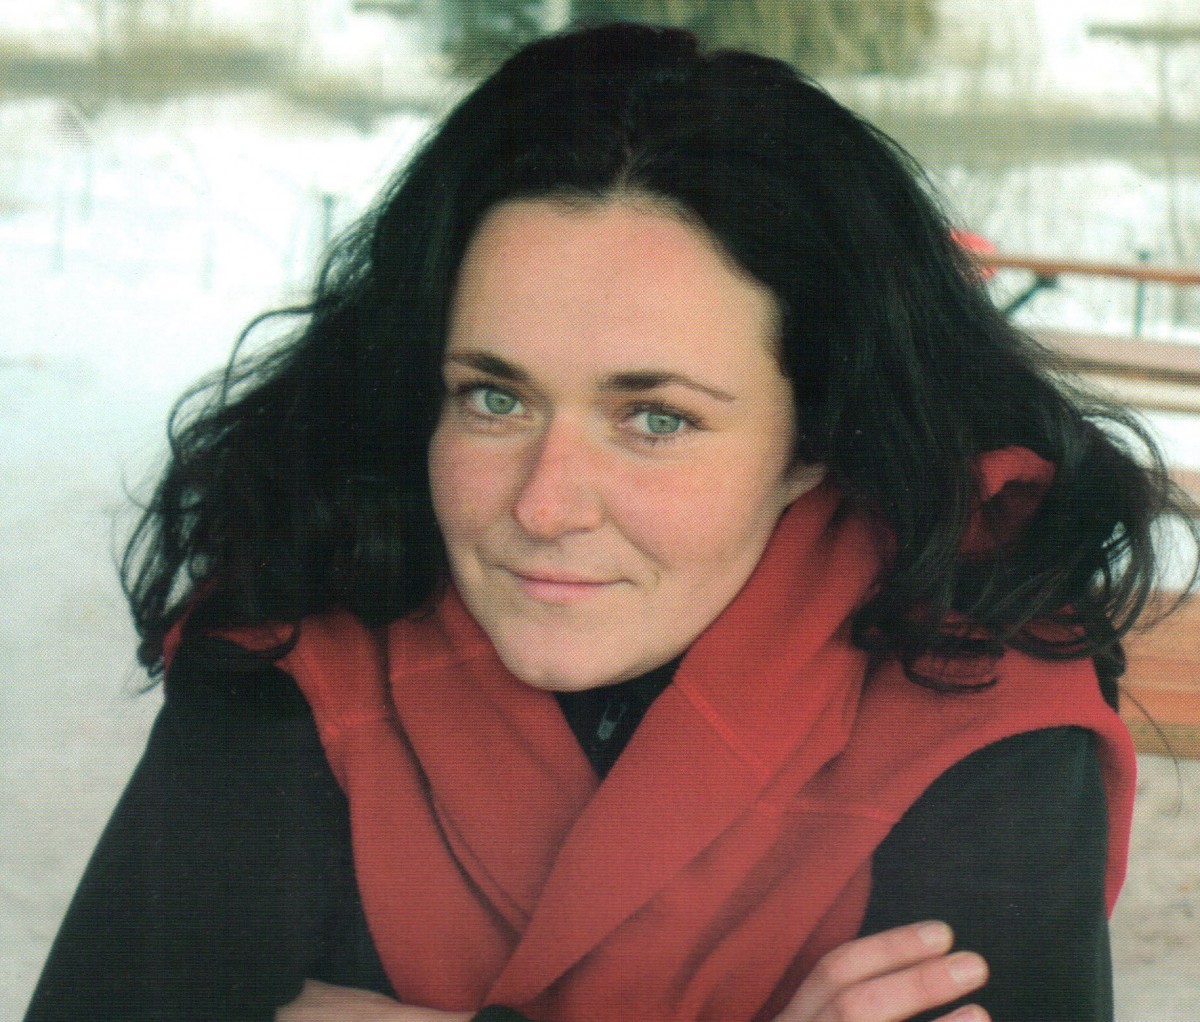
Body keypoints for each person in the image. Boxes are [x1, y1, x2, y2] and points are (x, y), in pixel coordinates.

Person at [24, 21, 1197, 1022]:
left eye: (656, 419)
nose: (544, 504)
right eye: (495, 398)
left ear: (811, 438)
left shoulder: (978, 692)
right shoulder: (304, 644)